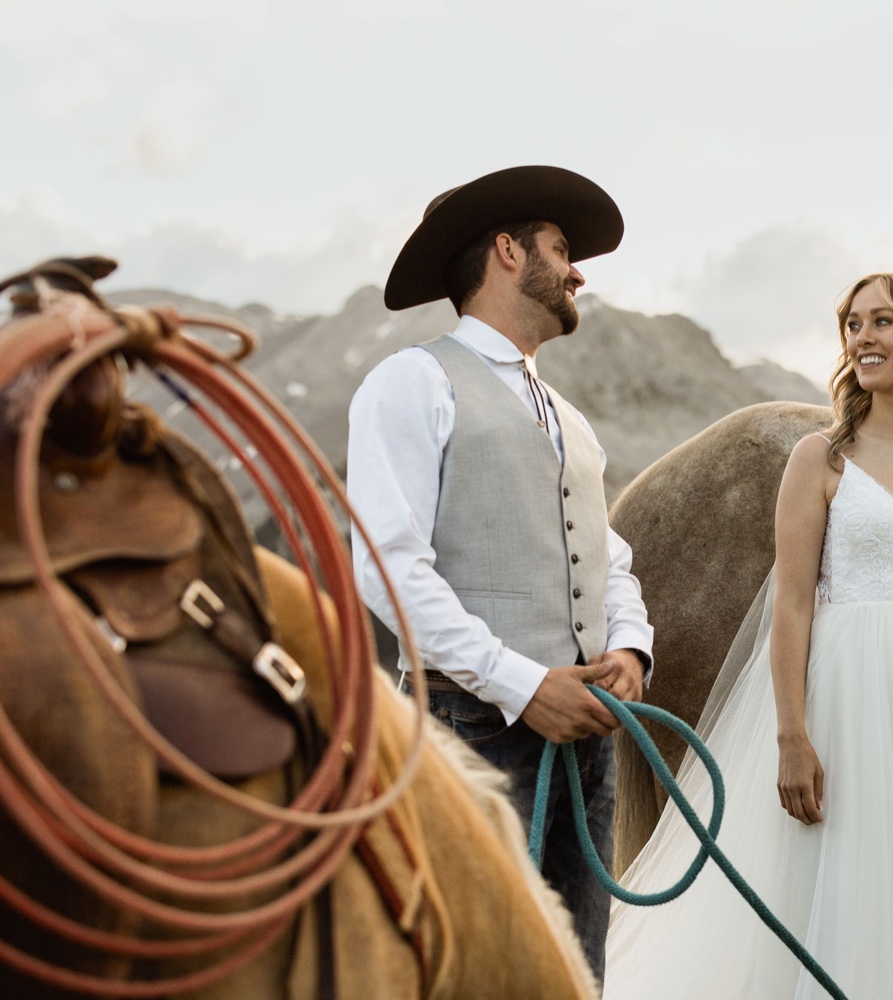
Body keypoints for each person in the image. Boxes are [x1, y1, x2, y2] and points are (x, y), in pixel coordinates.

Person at [603, 271, 893, 999]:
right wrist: (791, 736)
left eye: (881, 321)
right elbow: (791, 604)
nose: (861, 338)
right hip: (850, 701)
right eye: (853, 324)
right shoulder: (819, 458)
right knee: (852, 889)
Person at [347, 165, 654, 983]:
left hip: (586, 741)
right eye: (561, 249)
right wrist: (521, 684)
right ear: (509, 252)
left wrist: (629, 647)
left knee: (578, 974)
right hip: (469, 734)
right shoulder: (410, 383)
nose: (578, 272)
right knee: (472, 975)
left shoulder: (570, 419)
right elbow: (387, 570)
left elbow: (609, 556)